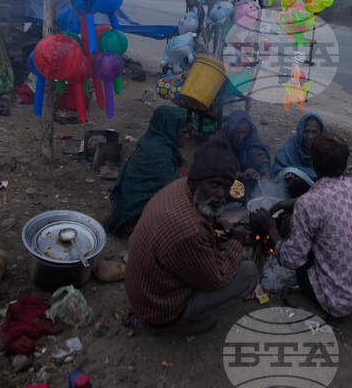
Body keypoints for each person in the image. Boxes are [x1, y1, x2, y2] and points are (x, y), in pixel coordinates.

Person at [124, 137, 258, 335]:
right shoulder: (190, 230)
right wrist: (237, 241)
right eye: (214, 184)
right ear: (196, 182)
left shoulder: (179, 186)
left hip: (142, 288)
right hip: (157, 307)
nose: (222, 194)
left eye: (227, 185)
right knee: (249, 272)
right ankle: (168, 325)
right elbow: (216, 279)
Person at [252, 133, 352, 318]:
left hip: (336, 301)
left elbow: (291, 259)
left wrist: (270, 227)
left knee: (288, 228)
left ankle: (311, 292)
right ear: (343, 164)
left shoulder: (309, 203)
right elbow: (327, 199)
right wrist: (284, 203)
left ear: (313, 164)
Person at [106, 106, 190, 235]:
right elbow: (173, 192)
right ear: (170, 129)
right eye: (184, 132)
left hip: (127, 209)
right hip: (130, 218)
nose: (188, 136)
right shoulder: (159, 154)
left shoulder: (153, 141)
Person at [270, 113, 325, 197]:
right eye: (306, 131)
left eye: (314, 132)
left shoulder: (327, 148)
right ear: (300, 131)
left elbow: (334, 177)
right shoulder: (291, 146)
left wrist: (303, 176)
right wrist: (289, 175)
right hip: (291, 192)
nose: (310, 136)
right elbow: (277, 168)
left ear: (321, 132)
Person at [224, 110, 271, 195]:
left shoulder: (250, 140)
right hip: (229, 178)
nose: (242, 137)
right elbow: (221, 169)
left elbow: (258, 154)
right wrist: (241, 174)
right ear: (231, 129)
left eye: (245, 133)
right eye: (238, 132)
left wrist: (265, 169)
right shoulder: (222, 141)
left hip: (246, 180)